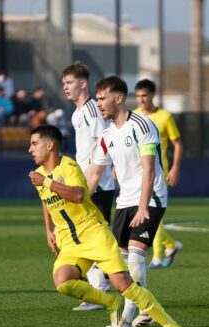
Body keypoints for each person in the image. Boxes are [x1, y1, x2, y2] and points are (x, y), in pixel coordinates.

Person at [27, 124, 183, 327]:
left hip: (94, 233)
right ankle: (111, 303)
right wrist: (48, 230)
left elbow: (79, 195)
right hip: (70, 240)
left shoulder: (68, 165)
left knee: (123, 284)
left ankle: (171, 326)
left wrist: (47, 182)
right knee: (63, 282)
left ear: (50, 145)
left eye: (34, 144)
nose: (30, 149)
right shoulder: (40, 175)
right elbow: (45, 201)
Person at [88, 75, 170, 327]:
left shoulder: (142, 125)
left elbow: (149, 170)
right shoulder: (107, 134)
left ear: (119, 98)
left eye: (102, 98)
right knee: (121, 264)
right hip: (124, 202)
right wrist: (79, 202)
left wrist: (144, 206)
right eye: (97, 99)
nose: (99, 104)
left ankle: (128, 317)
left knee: (135, 258)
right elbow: (94, 173)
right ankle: (143, 309)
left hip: (151, 198)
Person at [61, 61, 118, 312]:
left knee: (94, 236)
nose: (65, 87)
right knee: (90, 236)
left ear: (83, 83)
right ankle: (99, 287)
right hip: (87, 183)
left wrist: (92, 181)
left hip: (98, 185)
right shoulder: (78, 113)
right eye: (63, 83)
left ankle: (101, 290)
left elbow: (103, 143)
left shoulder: (92, 111)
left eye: (70, 82)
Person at [133, 79, 184, 269]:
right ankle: (170, 245)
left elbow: (177, 143)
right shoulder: (135, 116)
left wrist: (175, 167)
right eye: (138, 96)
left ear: (153, 95)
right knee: (144, 212)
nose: (141, 99)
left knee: (153, 213)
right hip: (137, 173)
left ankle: (157, 256)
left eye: (145, 95)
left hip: (158, 173)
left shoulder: (164, 117)